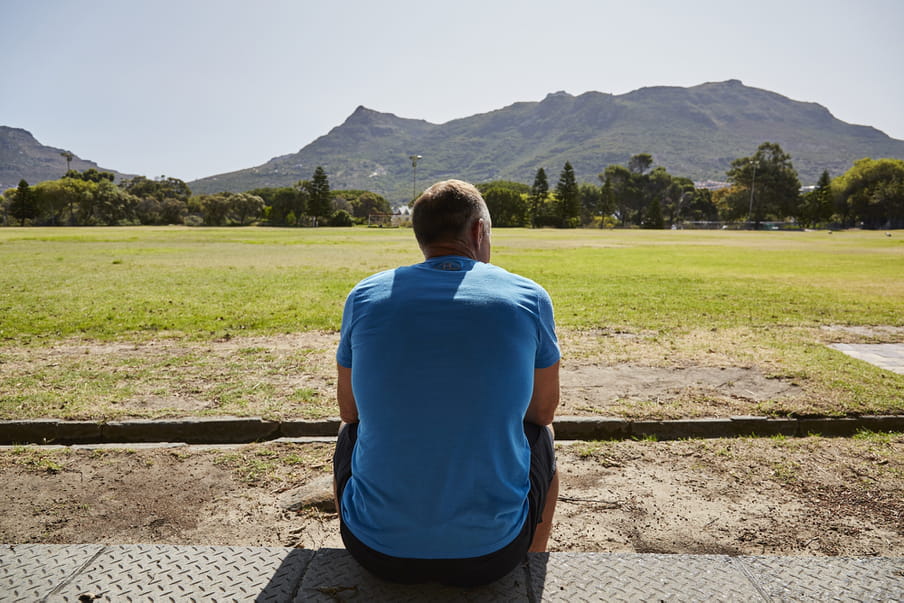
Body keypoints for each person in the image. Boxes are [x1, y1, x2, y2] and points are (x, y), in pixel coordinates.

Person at [333, 179, 560, 587]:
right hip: (493, 556)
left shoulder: (364, 295)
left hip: (375, 554)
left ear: (420, 235)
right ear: (478, 231)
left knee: (348, 430)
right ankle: (530, 568)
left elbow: (350, 411)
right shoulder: (529, 296)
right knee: (542, 434)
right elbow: (542, 412)